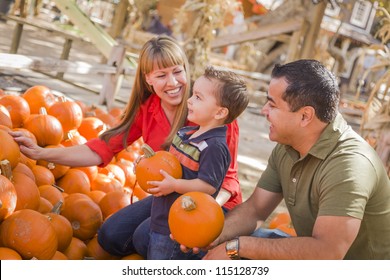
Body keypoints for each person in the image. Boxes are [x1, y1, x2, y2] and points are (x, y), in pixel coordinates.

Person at [9, 35, 243, 257]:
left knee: (149, 238)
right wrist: (41, 152)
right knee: (111, 236)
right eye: (161, 75)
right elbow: (100, 148)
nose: (173, 83)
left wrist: (204, 222)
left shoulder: (211, 113)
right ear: (147, 79)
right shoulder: (148, 109)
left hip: (210, 202)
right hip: (168, 194)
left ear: (186, 70)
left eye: (177, 72)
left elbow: (228, 180)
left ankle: (211, 254)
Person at [198, 59, 390, 260]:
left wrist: (237, 247)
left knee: (243, 249)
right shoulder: (288, 145)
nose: (264, 110)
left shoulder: (349, 166)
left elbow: (328, 252)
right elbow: (255, 209)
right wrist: (213, 236)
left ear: (305, 116)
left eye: (272, 104)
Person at [143, 65, 249, 260]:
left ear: (219, 113)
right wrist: (148, 164)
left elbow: (208, 186)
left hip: (179, 225)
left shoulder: (214, 147)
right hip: (162, 214)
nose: (189, 100)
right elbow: (171, 162)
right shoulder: (186, 133)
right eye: (192, 94)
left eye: (198, 98)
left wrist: (175, 185)